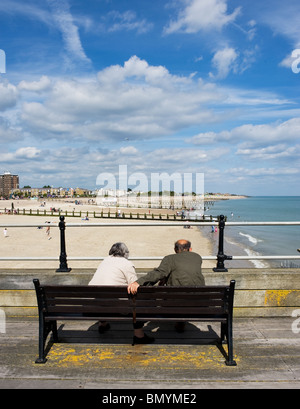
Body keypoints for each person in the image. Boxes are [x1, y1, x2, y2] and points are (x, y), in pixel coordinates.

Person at [127, 239, 205, 333]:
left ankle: (179, 321)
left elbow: (159, 273)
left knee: (169, 295)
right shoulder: (197, 257)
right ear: (190, 249)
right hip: (198, 302)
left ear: (175, 249)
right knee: (182, 288)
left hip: (174, 304)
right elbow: (184, 273)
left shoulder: (170, 259)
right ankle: (181, 323)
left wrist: (138, 282)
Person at [89, 242, 154, 344]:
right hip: (116, 307)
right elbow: (134, 285)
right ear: (126, 253)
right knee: (139, 300)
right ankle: (139, 335)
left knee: (103, 295)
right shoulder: (127, 264)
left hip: (96, 306)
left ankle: (103, 324)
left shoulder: (104, 261)